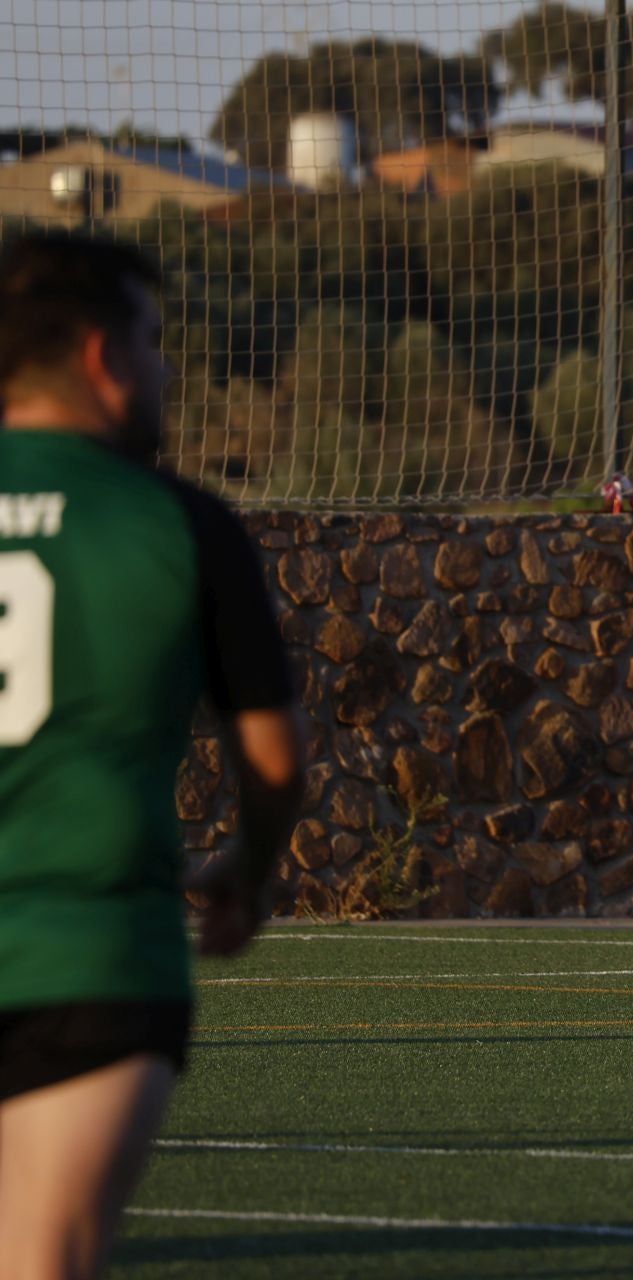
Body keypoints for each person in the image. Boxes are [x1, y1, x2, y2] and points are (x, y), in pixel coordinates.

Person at [0, 229, 303, 1280]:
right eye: (154, 340)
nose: (166, 369)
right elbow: (275, 757)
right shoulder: (183, 524)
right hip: (92, 953)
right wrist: (250, 873)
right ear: (103, 356)